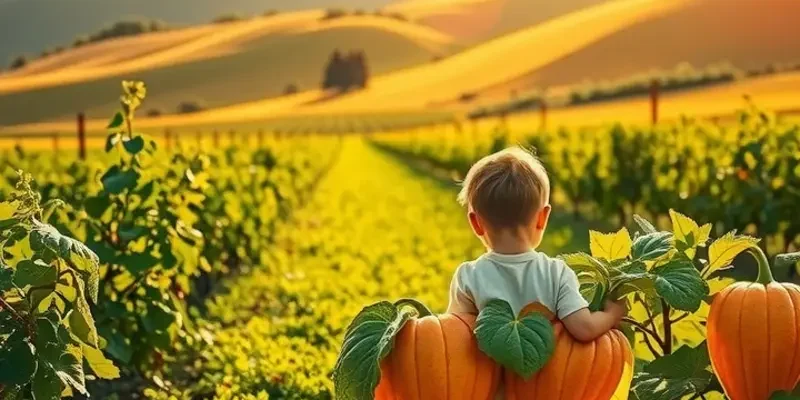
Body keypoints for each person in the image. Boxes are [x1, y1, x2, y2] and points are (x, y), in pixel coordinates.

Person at [446, 146, 625, 342]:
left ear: (476, 223)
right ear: (543, 217)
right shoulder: (555, 273)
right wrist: (613, 314)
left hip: (483, 374)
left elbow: (453, 335)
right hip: (547, 373)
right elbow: (584, 328)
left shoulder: (468, 277)